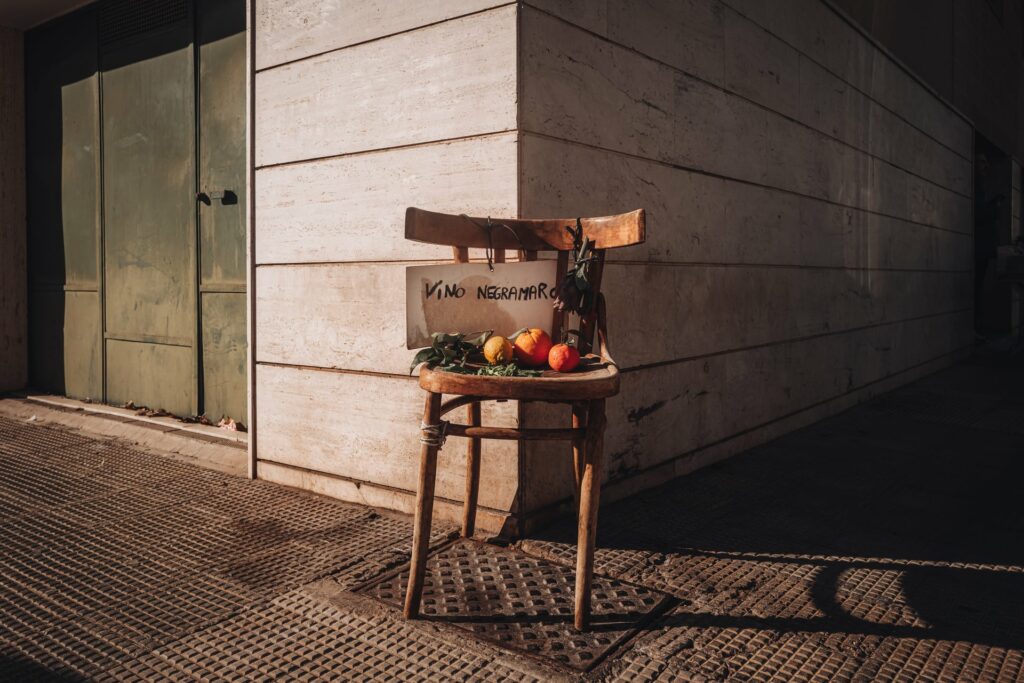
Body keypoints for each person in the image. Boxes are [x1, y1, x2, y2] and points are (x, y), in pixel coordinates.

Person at [975, 153, 1005, 337]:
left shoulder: (982, 185)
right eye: (982, 163)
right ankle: (976, 327)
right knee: (977, 285)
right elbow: (980, 213)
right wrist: (995, 208)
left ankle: (978, 325)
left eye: (987, 163)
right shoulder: (976, 184)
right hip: (980, 246)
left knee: (980, 285)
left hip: (983, 246)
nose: (986, 167)